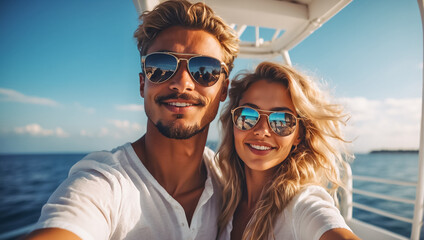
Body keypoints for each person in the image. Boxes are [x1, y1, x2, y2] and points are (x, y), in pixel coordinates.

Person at [24, 1, 239, 239]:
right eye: (161, 67)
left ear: (223, 90)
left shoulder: (230, 182)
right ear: (142, 84)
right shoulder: (105, 183)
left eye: (204, 70)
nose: (182, 82)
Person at [216, 62, 360, 240]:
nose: (262, 130)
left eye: (282, 120)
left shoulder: (301, 205)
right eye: (248, 115)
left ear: (299, 135)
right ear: (233, 123)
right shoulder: (224, 197)